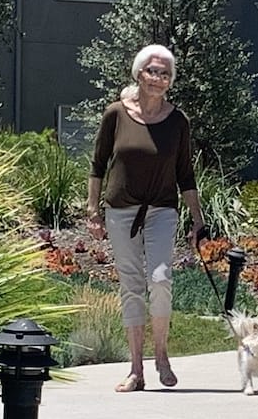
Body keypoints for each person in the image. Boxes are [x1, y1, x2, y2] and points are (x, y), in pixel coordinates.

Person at [87, 44, 206, 392]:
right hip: (121, 211)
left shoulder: (177, 120)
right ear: (139, 73)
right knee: (131, 286)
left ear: (170, 81)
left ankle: (162, 354)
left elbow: (186, 174)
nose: (159, 78)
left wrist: (198, 220)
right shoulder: (116, 114)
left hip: (162, 210)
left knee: (160, 278)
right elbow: (98, 165)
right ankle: (136, 369)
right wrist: (92, 210)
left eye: (165, 73)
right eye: (153, 71)